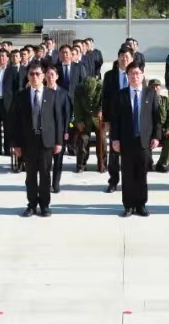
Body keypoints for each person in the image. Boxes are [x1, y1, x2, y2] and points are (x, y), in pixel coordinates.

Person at [11, 61, 64, 217]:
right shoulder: (21, 96)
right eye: (31, 74)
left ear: (43, 76)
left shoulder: (52, 94)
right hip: (28, 142)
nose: (34, 77)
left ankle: (45, 205)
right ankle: (32, 204)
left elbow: (58, 120)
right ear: (28, 76)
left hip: (46, 141)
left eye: (37, 74)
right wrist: (16, 144)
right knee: (30, 176)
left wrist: (59, 141)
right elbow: (15, 121)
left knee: (45, 175)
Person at [110, 63, 161, 216]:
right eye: (131, 73)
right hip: (126, 140)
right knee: (127, 174)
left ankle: (141, 204)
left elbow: (157, 118)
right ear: (127, 76)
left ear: (142, 75)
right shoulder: (120, 95)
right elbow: (115, 120)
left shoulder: (150, 94)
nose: (135, 76)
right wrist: (115, 139)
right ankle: (128, 205)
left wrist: (156, 137)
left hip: (144, 140)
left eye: (137, 73)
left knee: (142, 173)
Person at [101, 46, 134, 186]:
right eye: (121, 56)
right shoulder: (109, 75)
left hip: (132, 118)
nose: (124, 59)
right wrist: (106, 120)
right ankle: (113, 181)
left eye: (127, 56)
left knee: (131, 152)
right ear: (118, 58)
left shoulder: (136, 73)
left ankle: (129, 181)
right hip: (115, 118)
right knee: (114, 150)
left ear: (132, 58)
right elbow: (105, 98)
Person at [44, 63, 72, 192]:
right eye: (48, 74)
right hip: (45, 132)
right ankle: (46, 183)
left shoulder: (63, 93)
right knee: (46, 160)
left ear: (57, 76)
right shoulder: (41, 92)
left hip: (59, 131)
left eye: (52, 74)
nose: (50, 77)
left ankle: (56, 183)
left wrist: (66, 130)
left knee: (58, 159)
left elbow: (67, 113)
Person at [73, 72, 102, 172]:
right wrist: (79, 121)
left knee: (102, 140)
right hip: (85, 117)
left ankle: (102, 164)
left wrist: (101, 110)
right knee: (82, 140)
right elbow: (77, 106)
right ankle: (81, 164)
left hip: (98, 116)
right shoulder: (79, 89)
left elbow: (105, 100)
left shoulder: (101, 87)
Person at [149, 79, 169, 173]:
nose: (155, 88)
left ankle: (161, 163)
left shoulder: (165, 100)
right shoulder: (144, 101)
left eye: (157, 86)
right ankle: (148, 162)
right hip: (149, 130)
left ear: (160, 88)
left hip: (163, 130)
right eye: (152, 87)